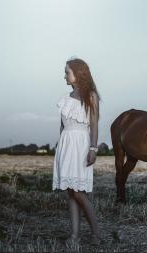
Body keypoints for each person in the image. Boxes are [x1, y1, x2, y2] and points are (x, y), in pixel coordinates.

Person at [52, 57, 101, 246]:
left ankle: (96, 233)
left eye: (66, 72)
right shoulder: (65, 99)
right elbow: (61, 127)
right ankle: (74, 236)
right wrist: (59, 149)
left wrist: (93, 149)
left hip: (81, 144)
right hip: (66, 144)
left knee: (79, 192)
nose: (64, 75)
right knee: (70, 193)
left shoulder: (91, 96)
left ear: (77, 74)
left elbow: (94, 125)